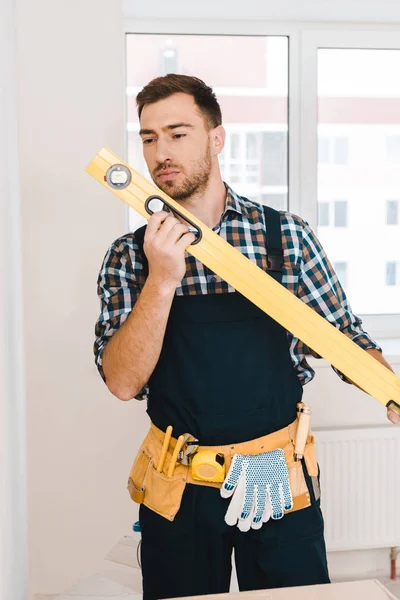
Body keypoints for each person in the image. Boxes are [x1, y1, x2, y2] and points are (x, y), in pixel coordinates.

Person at [94, 74, 399, 600]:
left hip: (280, 476)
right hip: (179, 484)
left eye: (178, 133)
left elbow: (342, 338)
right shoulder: (130, 257)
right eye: (148, 138)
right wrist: (162, 278)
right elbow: (122, 382)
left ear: (216, 138)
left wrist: (389, 389)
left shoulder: (286, 238)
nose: (161, 152)